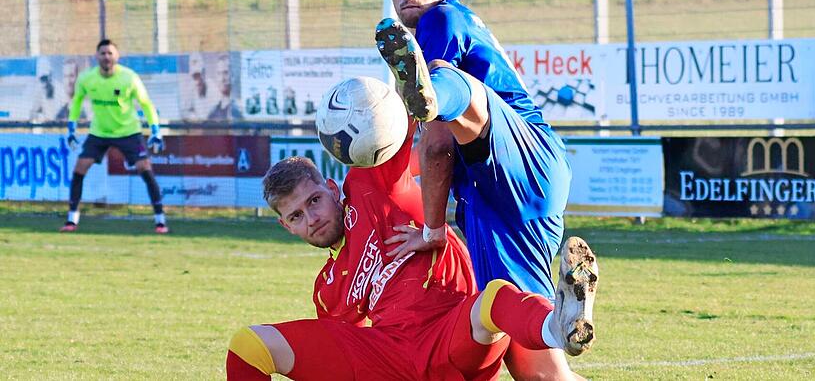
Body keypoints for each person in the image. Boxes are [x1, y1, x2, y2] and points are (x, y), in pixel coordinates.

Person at [375, 0, 598, 379]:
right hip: (492, 198)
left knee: (446, 81)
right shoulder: (426, 33)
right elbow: (432, 152)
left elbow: (437, 144)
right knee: (528, 352)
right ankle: (564, 320)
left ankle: (432, 92)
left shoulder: (442, 20)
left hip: (526, 155)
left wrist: (433, 229)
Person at [226, 131, 597, 380]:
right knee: (249, 345)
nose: (313, 218)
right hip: (394, 357)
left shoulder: (370, 183)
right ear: (285, 227)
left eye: (315, 201)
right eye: (297, 216)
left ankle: (560, 325)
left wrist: (410, 49)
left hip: (453, 333)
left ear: (332, 188)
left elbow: (407, 114)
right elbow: (348, 357)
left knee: (495, 297)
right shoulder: (326, 289)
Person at [60, 39, 169, 234]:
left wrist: (155, 130)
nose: (106, 57)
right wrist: (71, 128)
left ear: (117, 56)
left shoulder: (129, 78)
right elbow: (76, 102)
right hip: (99, 133)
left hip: (128, 132)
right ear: (96, 57)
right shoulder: (87, 78)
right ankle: (71, 220)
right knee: (80, 168)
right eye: (103, 53)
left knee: (145, 168)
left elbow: (146, 104)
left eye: (110, 53)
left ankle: (160, 221)